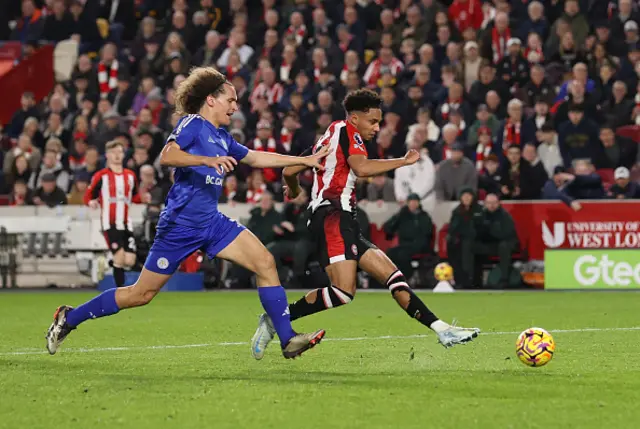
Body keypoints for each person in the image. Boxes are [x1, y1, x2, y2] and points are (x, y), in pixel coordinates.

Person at [45, 67, 330, 360]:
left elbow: (256, 157)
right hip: (180, 225)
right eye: (230, 100)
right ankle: (69, 317)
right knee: (140, 295)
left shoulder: (222, 136)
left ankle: (287, 339)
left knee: (265, 263)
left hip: (212, 223)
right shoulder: (192, 124)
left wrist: (304, 160)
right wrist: (205, 160)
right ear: (211, 100)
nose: (235, 106)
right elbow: (167, 156)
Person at [250, 89, 480, 360]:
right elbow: (362, 169)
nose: (377, 127)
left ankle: (442, 329)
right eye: (373, 121)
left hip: (341, 217)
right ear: (355, 118)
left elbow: (290, 170)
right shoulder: (348, 132)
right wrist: (403, 162)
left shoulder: (331, 134)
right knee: (344, 291)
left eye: (379, 122)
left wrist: (293, 189)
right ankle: (277, 320)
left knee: (393, 277)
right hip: (333, 216)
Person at [82, 140, 148, 289]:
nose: (117, 156)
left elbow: (135, 197)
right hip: (110, 222)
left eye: (119, 152)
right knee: (120, 258)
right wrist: (91, 202)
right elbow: (88, 195)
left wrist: (144, 198)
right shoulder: (101, 176)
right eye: (113, 153)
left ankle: (106, 261)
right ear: (107, 156)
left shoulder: (130, 176)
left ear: (124, 155)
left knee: (130, 260)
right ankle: (119, 294)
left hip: (126, 222)